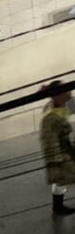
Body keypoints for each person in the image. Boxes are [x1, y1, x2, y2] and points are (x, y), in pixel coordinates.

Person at [40, 81, 75, 215]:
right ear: (57, 96)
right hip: (62, 152)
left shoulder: (62, 105)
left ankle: (58, 206)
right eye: (66, 91)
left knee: (62, 180)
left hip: (66, 147)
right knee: (62, 178)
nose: (70, 92)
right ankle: (58, 207)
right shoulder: (50, 117)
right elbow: (48, 141)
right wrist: (55, 163)